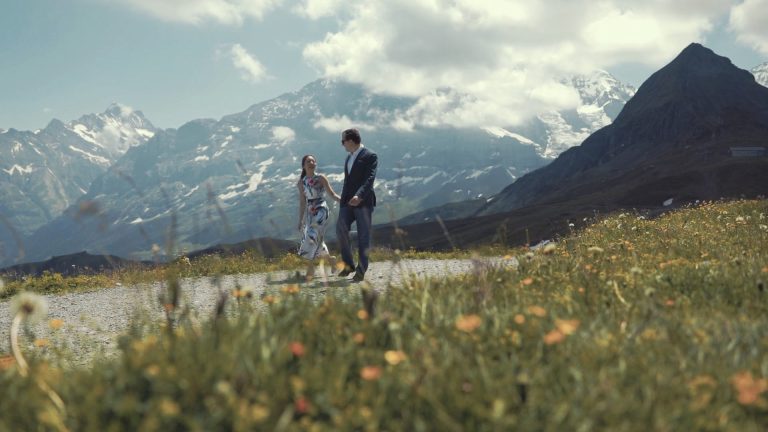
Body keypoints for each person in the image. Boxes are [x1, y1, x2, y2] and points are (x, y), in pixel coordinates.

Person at [336, 128, 378, 282]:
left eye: (343, 141)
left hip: (364, 202)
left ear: (351, 141)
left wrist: (359, 196)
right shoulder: (348, 158)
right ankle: (348, 265)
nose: (342, 145)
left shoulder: (370, 156)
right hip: (347, 203)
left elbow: (370, 179)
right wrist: (342, 203)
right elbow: (347, 182)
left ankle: (361, 270)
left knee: (363, 237)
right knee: (341, 230)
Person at [297, 154, 340, 279]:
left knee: (311, 236)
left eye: (313, 161)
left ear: (315, 164)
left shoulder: (321, 178)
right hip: (310, 212)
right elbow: (302, 202)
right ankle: (331, 261)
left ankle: (310, 269)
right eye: (308, 161)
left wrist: (343, 201)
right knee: (316, 239)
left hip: (321, 209)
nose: (311, 162)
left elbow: (332, 194)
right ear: (304, 165)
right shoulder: (301, 183)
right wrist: (300, 220)